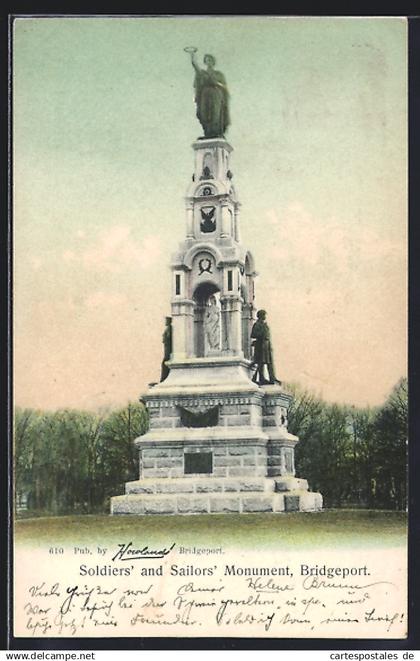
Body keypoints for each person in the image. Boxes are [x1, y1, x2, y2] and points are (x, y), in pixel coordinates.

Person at [189, 52, 230, 138]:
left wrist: (216, 83)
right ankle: (207, 133)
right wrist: (193, 59)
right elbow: (196, 69)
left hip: (216, 94)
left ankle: (216, 133)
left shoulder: (218, 74)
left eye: (210, 60)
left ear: (213, 62)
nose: (209, 62)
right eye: (207, 60)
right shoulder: (203, 73)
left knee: (215, 113)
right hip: (205, 94)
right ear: (205, 62)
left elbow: (224, 87)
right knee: (204, 113)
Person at [250, 310, 281, 385]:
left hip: (267, 346)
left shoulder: (265, 324)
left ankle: (272, 378)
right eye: (264, 315)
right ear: (261, 316)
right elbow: (253, 334)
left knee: (270, 363)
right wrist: (262, 333)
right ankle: (261, 378)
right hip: (261, 345)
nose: (265, 317)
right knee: (261, 363)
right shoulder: (257, 324)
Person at [160, 317, 172, 382]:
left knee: (164, 363)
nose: (165, 322)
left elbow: (168, 337)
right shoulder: (168, 328)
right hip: (166, 348)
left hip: (168, 350)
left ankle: (163, 379)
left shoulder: (169, 328)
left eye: (166, 320)